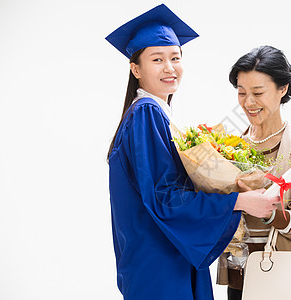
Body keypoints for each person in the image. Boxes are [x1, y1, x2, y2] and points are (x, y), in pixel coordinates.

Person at [105, 5, 280, 300]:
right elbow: (164, 198)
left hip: (163, 256)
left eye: (175, 57)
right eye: (157, 59)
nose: (169, 67)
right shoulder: (147, 114)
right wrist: (238, 201)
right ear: (136, 69)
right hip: (159, 262)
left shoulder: (154, 114)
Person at [217, 45, 291, 300]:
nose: (248, 103)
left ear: (283, 89)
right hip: (239, 272)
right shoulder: (232, 147)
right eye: (241, 92)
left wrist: (270, 212)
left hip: (281, 276)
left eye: (258, 92)